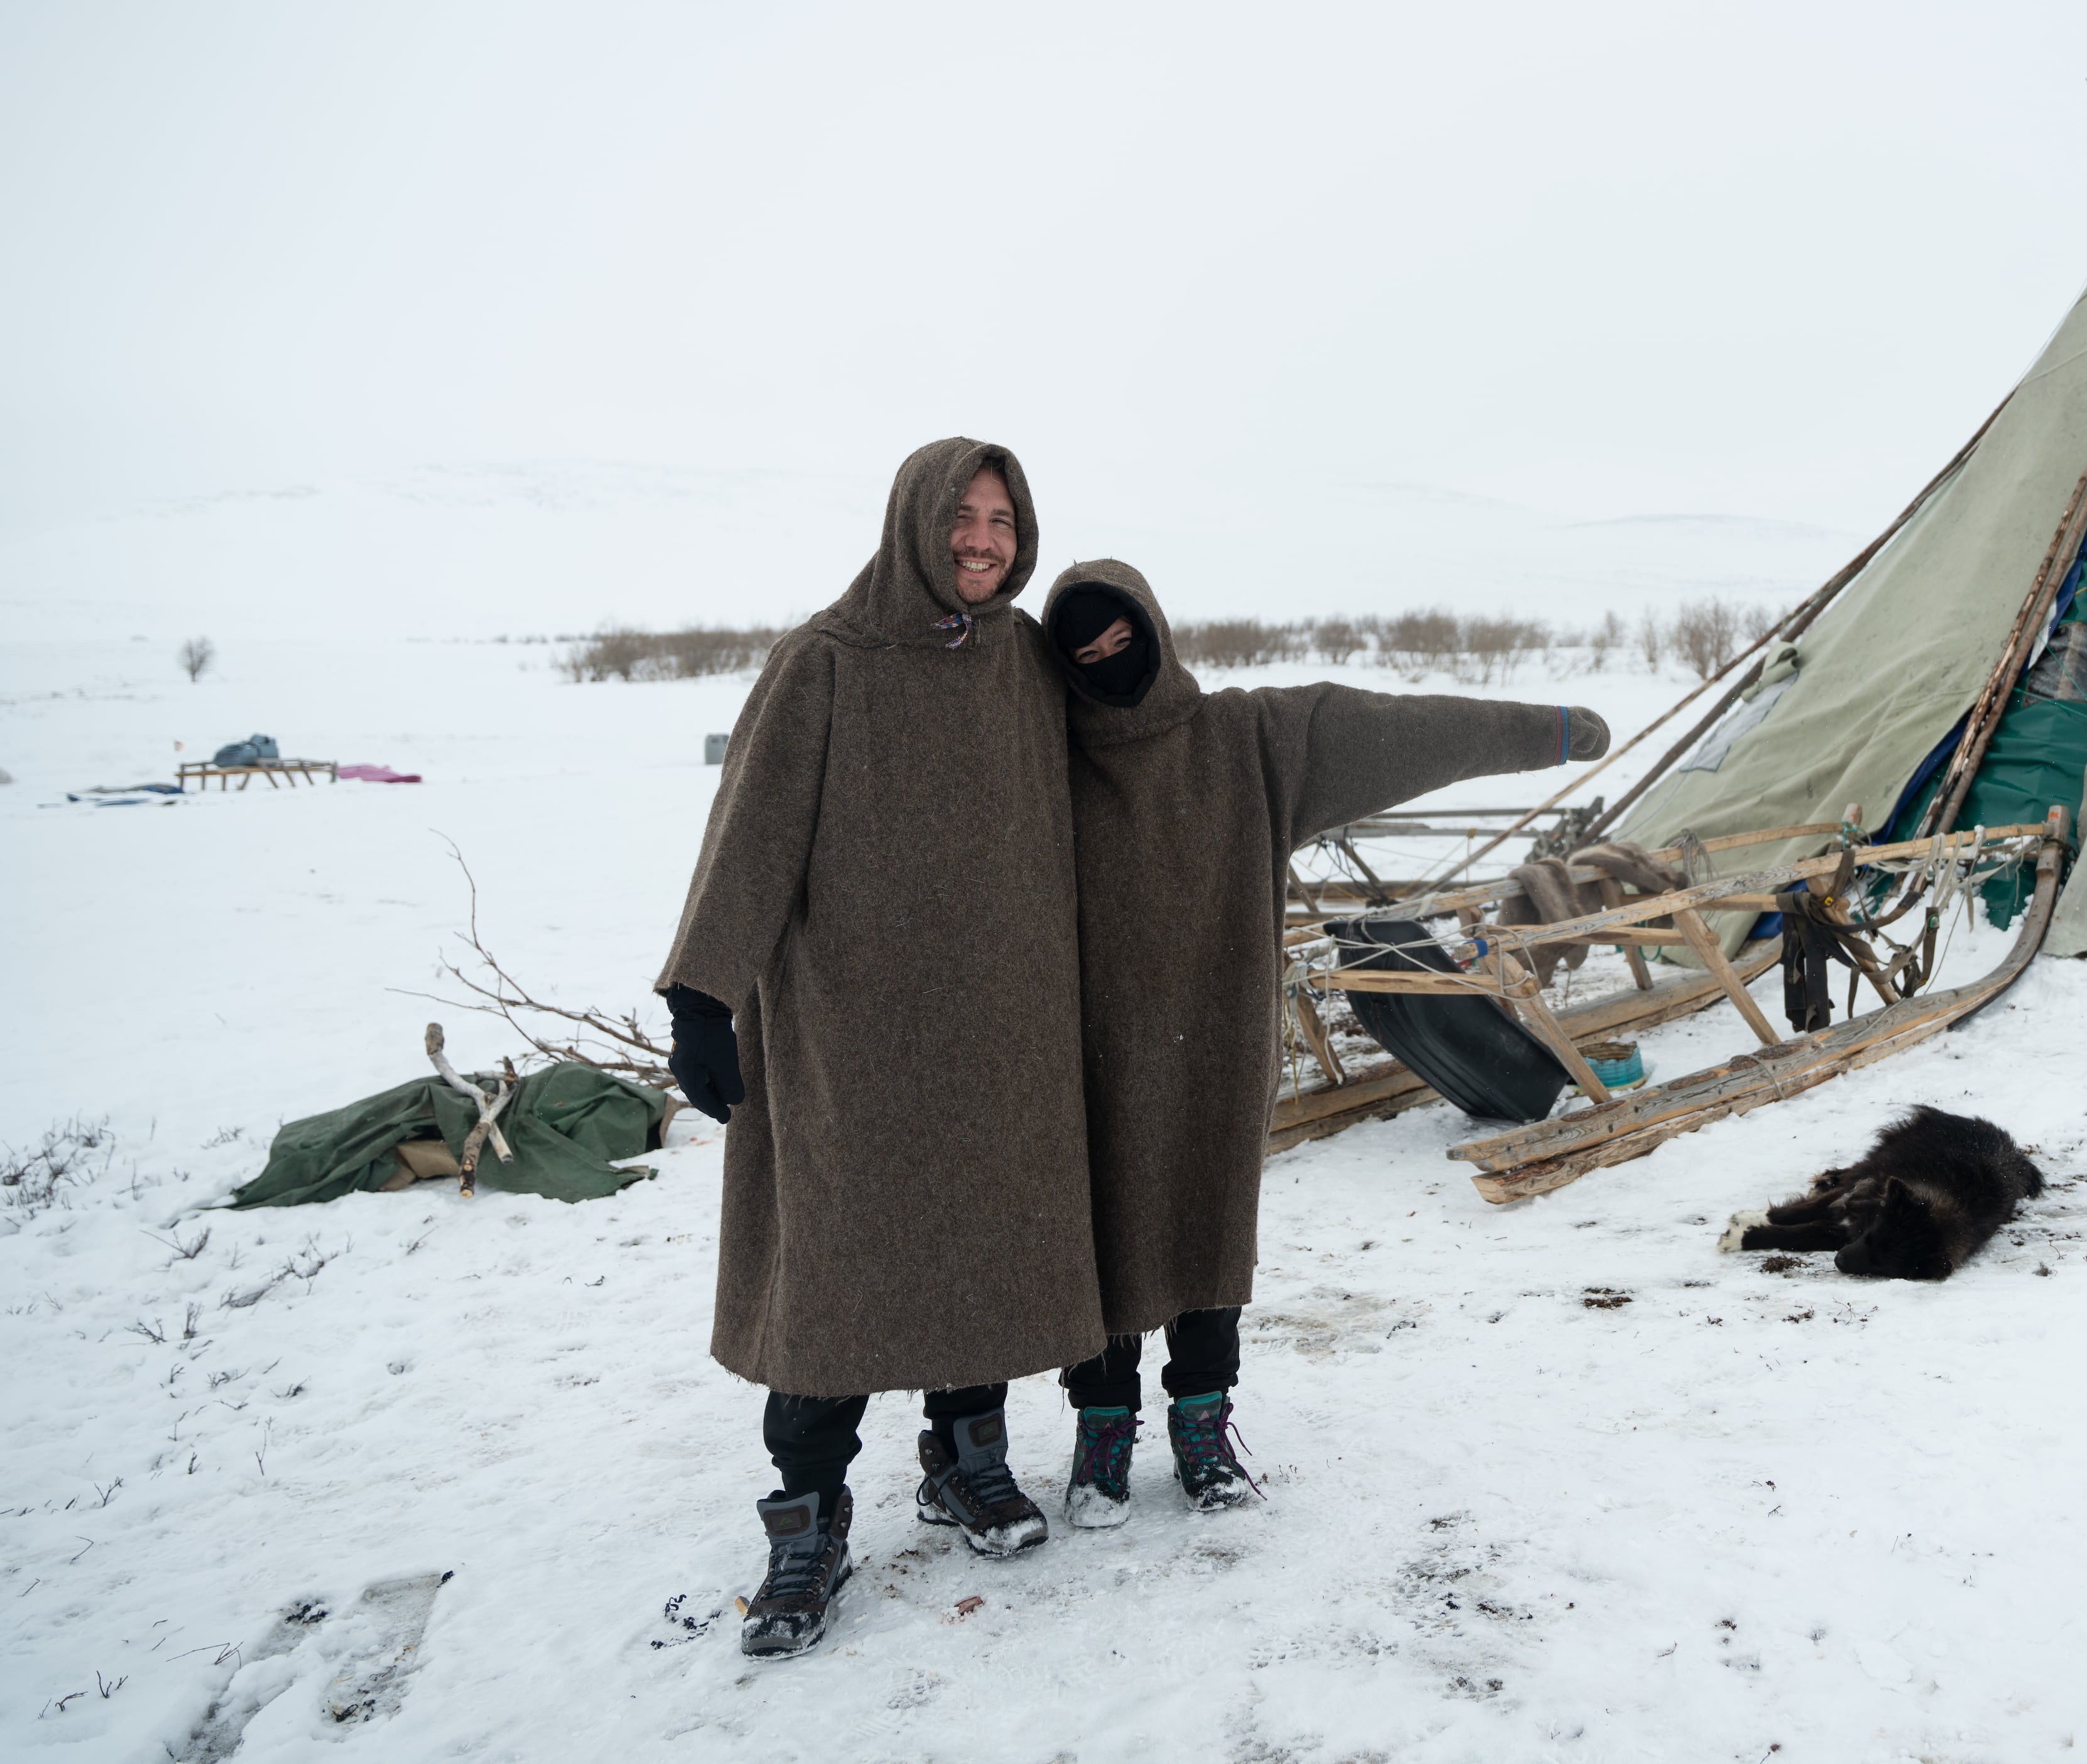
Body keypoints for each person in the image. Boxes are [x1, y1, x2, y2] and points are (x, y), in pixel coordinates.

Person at [1037, 560, 1609, 1519]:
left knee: (1206, 1225)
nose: (1107, 663)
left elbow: (1395, 731)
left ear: (1154, 632)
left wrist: (1546, 732)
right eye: (1084, 653)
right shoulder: (1047, 761)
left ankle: (1202, 1422)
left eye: (1121, 641)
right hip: (1085, 1049)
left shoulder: (1243, 739)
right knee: (1097, 1234)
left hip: (1214, 1036)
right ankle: (1102, 1427)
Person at [655, 440, 1102, 1660]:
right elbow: (748, 831)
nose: (983, 540)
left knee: (979, 1248)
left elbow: (1116, 765)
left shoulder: (1023, 659)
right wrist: (702, 993)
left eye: (1004, 521)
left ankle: (967, 1463)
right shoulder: (825, 662)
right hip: (852, 1035)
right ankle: (805, 1521)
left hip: (1000, 1027)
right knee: (838, 1272)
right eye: (962, 517)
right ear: (913, 522)